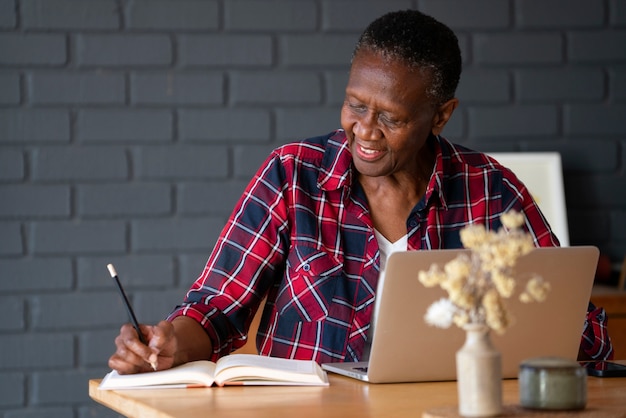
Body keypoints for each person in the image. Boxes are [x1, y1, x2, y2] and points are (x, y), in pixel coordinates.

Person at [109, 9, 613, 374]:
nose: (364, 131)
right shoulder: (293, 175)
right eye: (355, 105)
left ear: (440, 115)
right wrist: (170, 341)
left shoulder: (489, 189)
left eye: (391, 117)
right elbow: (216, 309)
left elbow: (579, 330)